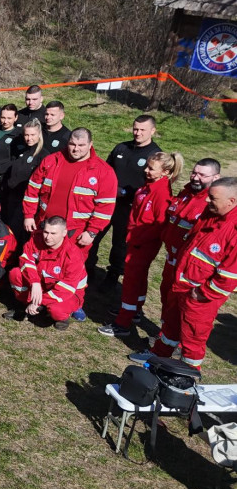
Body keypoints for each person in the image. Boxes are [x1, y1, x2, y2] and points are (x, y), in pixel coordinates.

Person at [139, 177, 235, 368]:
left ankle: (186, 375)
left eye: (213, 198)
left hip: (200, 297)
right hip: (182, 284)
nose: (207, 201)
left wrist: (201, 293)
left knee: (193, 338)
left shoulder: (233, 230)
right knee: (170, 326)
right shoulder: (211, 213)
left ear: (231, 201)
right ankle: (158, 358)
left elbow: (230, 277)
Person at [21, 129, 117, 292]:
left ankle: (71, 303)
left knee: (73, 269)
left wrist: (92, 232)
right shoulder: (51, 161)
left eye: (81, 145)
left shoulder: (103, 171)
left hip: (76, 232)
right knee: (39, 261)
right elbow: (33, 189)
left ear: (90, 145)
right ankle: (37, 298)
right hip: (45, 226)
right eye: (72, 144)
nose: (76, 149)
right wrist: (29, 215)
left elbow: (105, 207)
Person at [99, 151, 182, 337]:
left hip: (141, 245)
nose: (146, 171)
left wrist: (136, 240)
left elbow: (159, 225)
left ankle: (123, 323)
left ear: (165, 172)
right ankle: (134, 310)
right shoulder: (149, 186)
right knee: (137, 278)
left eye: (151, 169)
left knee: (131, 281)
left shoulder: (161, 194)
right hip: (136, 241)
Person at [92, 114, 164, 285]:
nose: (137, 133)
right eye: (135, 129)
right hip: (107, 202)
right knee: (93, 234)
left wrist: (126, 193)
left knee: (120, 243)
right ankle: (88, 267)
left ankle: (113, 275)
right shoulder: (121, 148)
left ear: (152, 131)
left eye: (142, 130)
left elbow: (152, 186)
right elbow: (106, 171)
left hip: (129, 207)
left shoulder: (154, 155)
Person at [155, 159, 222, 336]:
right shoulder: (186, 193)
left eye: (202, 175)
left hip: (187, 267)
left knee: (177, 305)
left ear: (216, 178)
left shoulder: (211, 205)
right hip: (171, 260)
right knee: (166, 297)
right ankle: (164, 334)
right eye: (194, 172)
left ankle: (172, 339)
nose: (196, 177)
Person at [5, 216, 87, 330]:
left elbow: (67, 288)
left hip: (69, 292)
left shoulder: (73, 255)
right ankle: (24, 306)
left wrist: (39, 302)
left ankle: (61, 317)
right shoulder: (36, 239)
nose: (48, 237)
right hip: (42, 283)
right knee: (16, 274)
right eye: (46, 232)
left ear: (64, 233)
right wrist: (34, 282)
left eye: (53, 233)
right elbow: (25, 259)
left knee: (56, 311)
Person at [0, 120, 48, 253]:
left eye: (32, 135)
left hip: (26, 201)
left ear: (39, 134)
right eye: (26, 135)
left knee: (18, 233)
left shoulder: (43, 155)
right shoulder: (22, 150)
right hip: (12, 197)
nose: (29, 138)